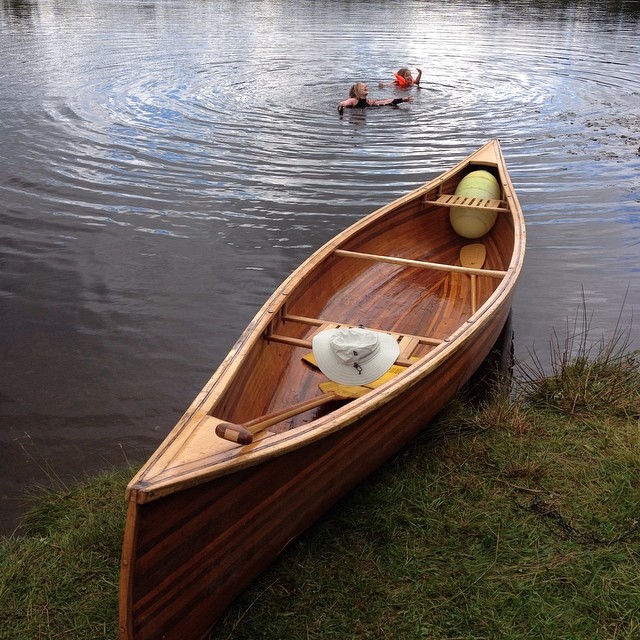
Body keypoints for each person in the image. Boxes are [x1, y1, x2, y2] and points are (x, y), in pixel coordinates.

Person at [337, 82, 413, 114]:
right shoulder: (353, 100)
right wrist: (342, 106)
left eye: (366, 86)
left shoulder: (369, 101)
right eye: (362, 86)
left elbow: (385, 102)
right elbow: (344, 103)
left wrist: (402, 99)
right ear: (357, 92)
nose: (366, 86)